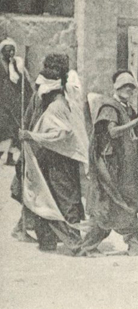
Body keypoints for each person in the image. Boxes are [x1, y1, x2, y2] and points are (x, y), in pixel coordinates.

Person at [14, 53, 87, 252]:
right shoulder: (58, 101)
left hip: (59, 158)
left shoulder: (57, 104)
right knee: (49, 197)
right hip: (48, 156)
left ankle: (69, 241)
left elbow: (62, 132)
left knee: (60, 197)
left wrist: (31, 136)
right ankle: (50, 240)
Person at [77, 71, 138, 256]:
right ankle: (88, 246)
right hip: (112, 166)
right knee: (109, 204)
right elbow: (113, 132)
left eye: (131, 86)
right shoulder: (110, 107)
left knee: (131, 199)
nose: (129, 89)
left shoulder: (126, 107)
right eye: (125, 86)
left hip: (126, 165)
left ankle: (133, 244)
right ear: (116, 88)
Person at [0, 39, 32, 166]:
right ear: (2, 52)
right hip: (2, 101)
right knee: (4, 128)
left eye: (12, 50)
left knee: (13, 128)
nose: (11, 53)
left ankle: (9, 156)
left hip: (13, 101)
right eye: (8, 50)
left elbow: (22, 81)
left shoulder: (15, 64)